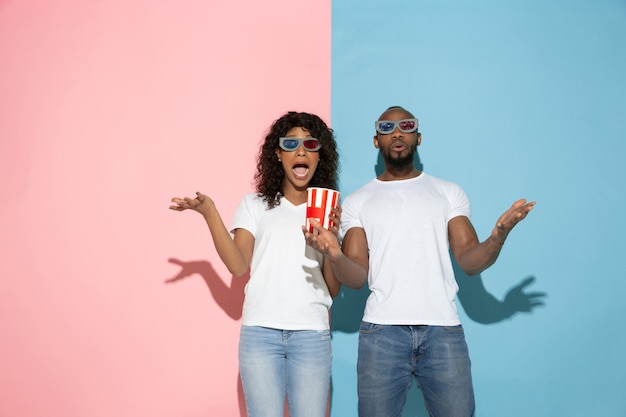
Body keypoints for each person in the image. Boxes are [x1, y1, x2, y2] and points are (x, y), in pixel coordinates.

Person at [304, 106, 535, 417]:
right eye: (387, 127)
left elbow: (468, 260)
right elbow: (357, 275)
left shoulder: (448, 192)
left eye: (406, 125)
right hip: (381, 335)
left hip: (443, 333)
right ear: (376, 141)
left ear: (418, 137)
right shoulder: (358, 201)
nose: (397, 132)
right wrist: (334, 253)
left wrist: (498, 236)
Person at [170, 111, 341, 417]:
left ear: (319, 155)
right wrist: (210, 212)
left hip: (311, 334)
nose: (300, 151)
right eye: (291, 144)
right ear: (277, 154)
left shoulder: (328, 210)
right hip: (260, 335)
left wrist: (331, 244)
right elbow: (238, 266)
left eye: (310, 144)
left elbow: (332, 288)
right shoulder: (255, 205)